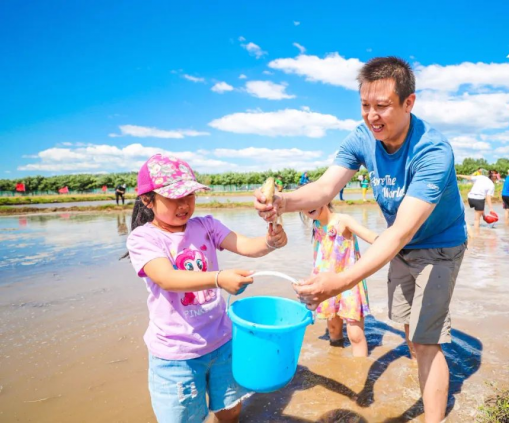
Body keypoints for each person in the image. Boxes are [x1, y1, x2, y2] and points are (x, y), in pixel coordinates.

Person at [253, 56, 467, 423]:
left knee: (426, 341)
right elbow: (324, 188)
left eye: (382, 106)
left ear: (408, 103)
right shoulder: (362, 137)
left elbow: (402, 231)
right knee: (407, 328)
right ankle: (421, 368)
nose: (372, 116)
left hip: (439, 247)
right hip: (398, 249)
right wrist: (283, 202)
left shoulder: (433, 151)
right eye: (365, 106)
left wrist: (339, 282)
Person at [126, 154, 288, 423]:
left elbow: (246, 245)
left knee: (230, 409)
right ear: (147, 199)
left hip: (222, 341)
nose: (184, 205)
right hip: (176, 355)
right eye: (174, 198)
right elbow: (166, 278)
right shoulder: (144, 238)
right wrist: (218, 278)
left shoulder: (206, 226)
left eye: (189, 195)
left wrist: (271, 241)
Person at [302, 202, 378, 357]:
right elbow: (318, 255)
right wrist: (311, 281)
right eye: (301, 204)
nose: (307, 206)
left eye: (310, 200)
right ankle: (336, 361)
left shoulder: (343, 220)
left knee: (355, 335)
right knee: (333, 330)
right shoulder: (316, 224)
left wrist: (399, 245)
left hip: (349, 283)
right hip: (327, 284)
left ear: (326, 197)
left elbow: (373, 238)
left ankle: (359, 373)